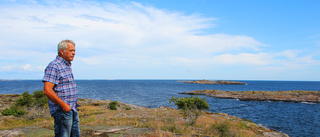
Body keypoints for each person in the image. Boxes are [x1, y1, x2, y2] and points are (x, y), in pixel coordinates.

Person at [43, 39, 80, 137]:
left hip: (71, 109)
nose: (73, 53)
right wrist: (64, 105)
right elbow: (47, 90)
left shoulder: (66, 66)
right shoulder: (54, 66)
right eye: (71, 50)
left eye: (74, 51)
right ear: (62, 51)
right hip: (63, 111)